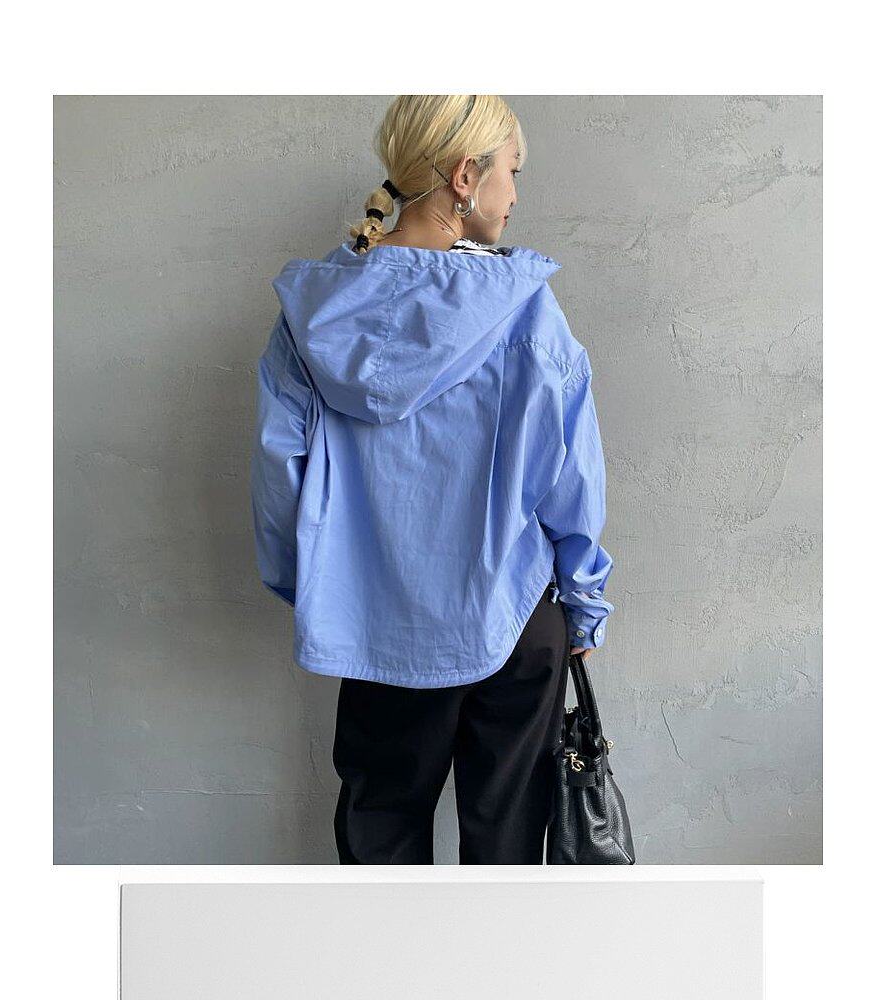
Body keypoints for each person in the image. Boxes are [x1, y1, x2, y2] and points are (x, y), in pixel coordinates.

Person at [251, 95, 615, 864]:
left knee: (379, 843)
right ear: (464, 177)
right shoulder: (525, 310)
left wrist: (319, 590)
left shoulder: (316, 313)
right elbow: (569, 474)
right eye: (512, 172)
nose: (515, 196)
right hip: (512, 616)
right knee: (505, 850)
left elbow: (280, 473)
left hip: (377, 620)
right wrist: (584, 604)